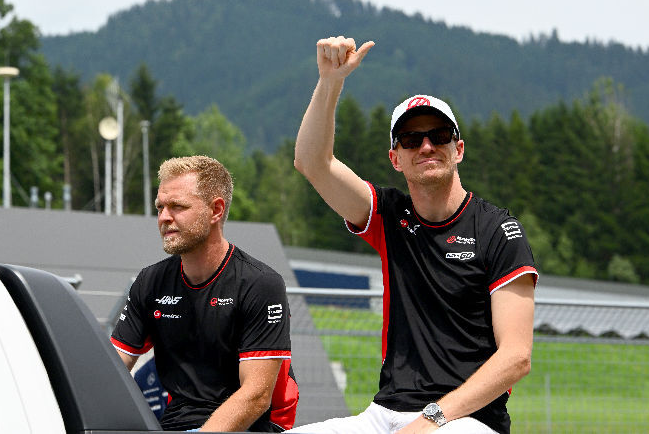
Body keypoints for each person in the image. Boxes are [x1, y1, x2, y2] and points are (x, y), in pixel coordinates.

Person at [289, 37, 537, 434]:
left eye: (438, 136)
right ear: (395, 158)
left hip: (466, 421)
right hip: (382, 414)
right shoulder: (389, 215)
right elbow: (312, 163)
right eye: (410, 139)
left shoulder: (498, 229)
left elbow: (516, 357)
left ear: (458, 149)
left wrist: (430, 419)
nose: (425, 146)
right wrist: (330, 80)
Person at [111, 155, 299, 432]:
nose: (164, 217)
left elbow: (257, 397)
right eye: (160, 207)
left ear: (216, 210)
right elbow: (112, 368)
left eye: (177, 206)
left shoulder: (260, 283)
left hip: (253, 427)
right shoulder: (150, 281)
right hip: (176, 422)